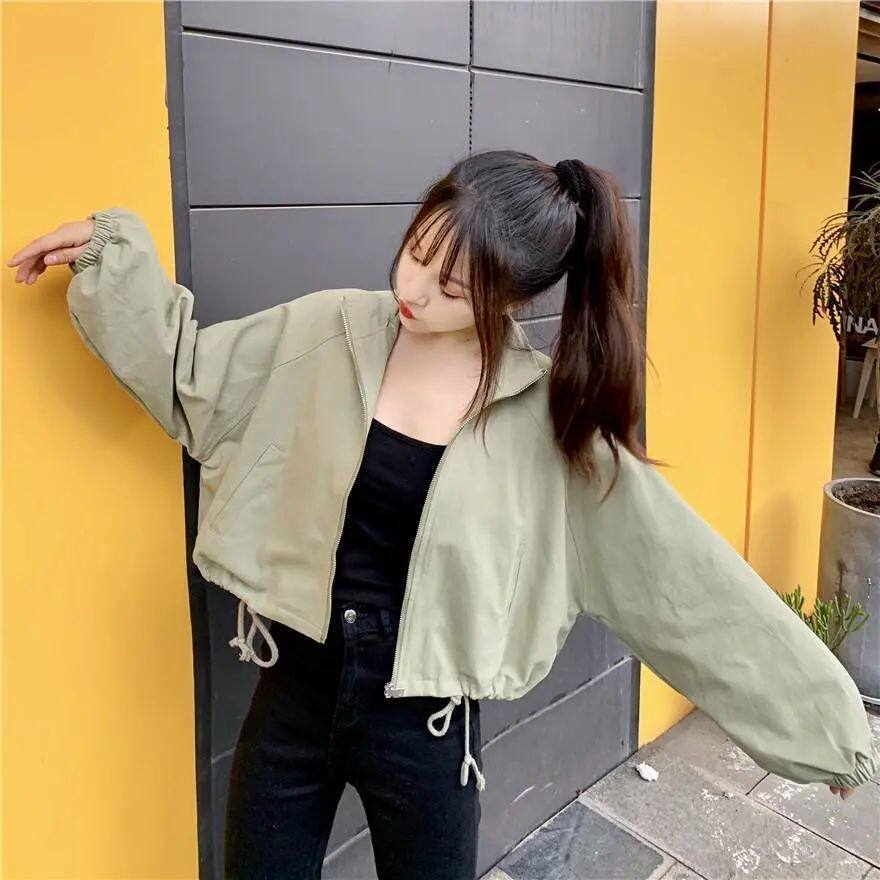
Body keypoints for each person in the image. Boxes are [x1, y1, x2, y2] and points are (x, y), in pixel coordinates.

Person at [8, 150, 877, 880]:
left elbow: (684, 585)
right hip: (292, 694)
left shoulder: (553, 428)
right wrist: (111, 258)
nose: (415, 289)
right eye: (418, 251)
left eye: (454, 285)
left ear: (510, 298)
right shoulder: (329, 332)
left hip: (424, 731)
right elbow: (191, 376)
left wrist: (819, 726)